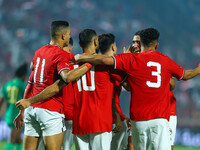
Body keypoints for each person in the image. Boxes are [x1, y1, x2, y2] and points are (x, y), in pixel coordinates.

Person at [70, 28, 200, 150]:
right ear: (156, 45)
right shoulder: (164, 60)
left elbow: (104, 59)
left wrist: (81, 57)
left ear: (141, 43)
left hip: (138, 120)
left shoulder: (131, 59)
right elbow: (185, 76)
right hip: (159, 118)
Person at [15, 20, 93, 150]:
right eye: (68, 34)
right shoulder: (60, 54)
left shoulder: (39, 52)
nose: (69, 36)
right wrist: (89, 64)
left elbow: (31, 77)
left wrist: (24, 108)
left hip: (32, 110)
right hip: (50, 110)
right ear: (63, 36)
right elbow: (67, 77)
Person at [0, 63, 27, 150]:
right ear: (24, 75)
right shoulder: (22, 85)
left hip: (8, 115)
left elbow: (1, 101)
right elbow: (27, 101)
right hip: (18, 116)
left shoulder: (7, 84)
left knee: (18, 140)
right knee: (12, 140)